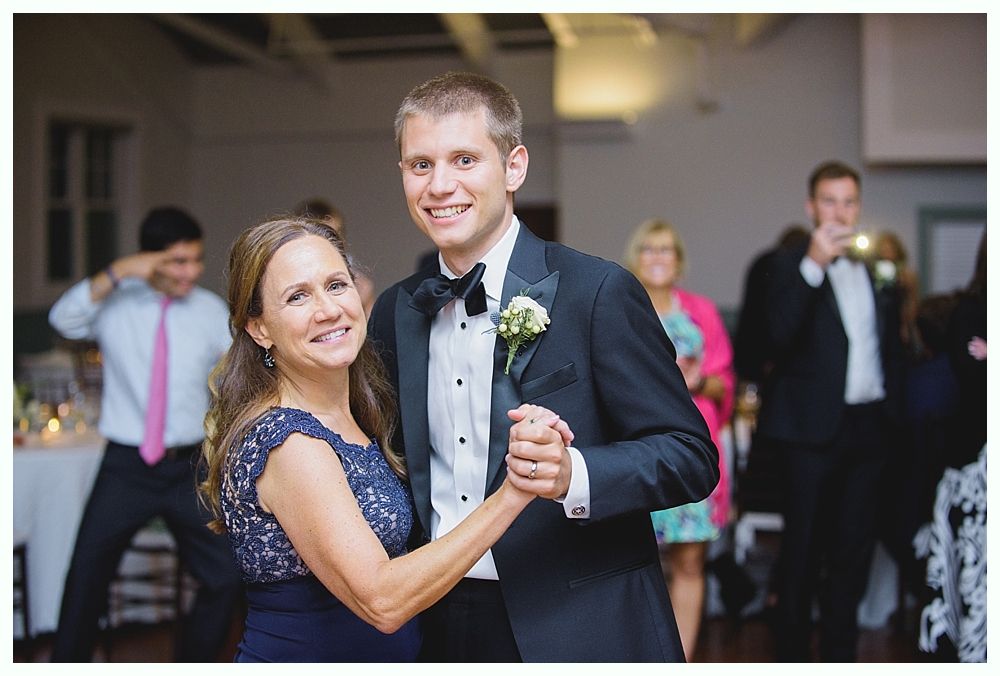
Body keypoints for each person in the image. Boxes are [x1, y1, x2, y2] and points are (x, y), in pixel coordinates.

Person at [368, 70, 719, 662]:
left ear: (514, 167)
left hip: (581, 622)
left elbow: (690, 456)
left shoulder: (598, 291)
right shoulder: (396, 310)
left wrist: (573, 475)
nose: (439, 185)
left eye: (463, 159)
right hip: (437, 621)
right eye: (419, 164)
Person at [199, 216, 565, 662]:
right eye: (297, 297)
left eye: (336, 285)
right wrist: (513, 492)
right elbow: (382, 601)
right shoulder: (288, 441)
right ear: (258, 328)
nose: (328, 309)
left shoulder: (360, 412)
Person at [47, 207, 242, 662]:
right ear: (147, 260)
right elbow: (63, 319)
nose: (191, 271)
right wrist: (119, 273)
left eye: (195, 259)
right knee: (85, 578)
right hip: (125, 467)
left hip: (189, 467)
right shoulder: (114, 305)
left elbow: (241, 369)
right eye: (177, 261)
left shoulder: (209, 310)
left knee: (226, 576)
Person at [756, 161, 905, 662]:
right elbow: (773, 338)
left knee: (854, 549)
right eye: (829, 201)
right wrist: (813, 267)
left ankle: (842, 655)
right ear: (811, 206)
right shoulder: (783, 264)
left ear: (858, 207)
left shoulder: (876, 269)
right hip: (808, 434)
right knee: (802, 550)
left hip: (869, 428)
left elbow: (891, 348)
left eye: (848, 201)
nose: (840, 211)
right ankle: (793, 657)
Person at [623, 218, 736, 660]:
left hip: (689, 447)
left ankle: (680, 660)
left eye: (666, 249)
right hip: (638, 448)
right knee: (634, 562)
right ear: (636, 258)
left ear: (679, 260)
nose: (657, 257)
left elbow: (725, 384)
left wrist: (697, 380)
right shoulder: (623, 307)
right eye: (648, 249)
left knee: (689, 563)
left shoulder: (701, 312)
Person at [293, 197, 376, 315]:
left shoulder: (362, 287)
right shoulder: (288, 285)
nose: (335, 243)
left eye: (338, 234)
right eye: (326, 236)